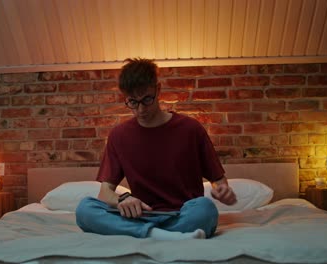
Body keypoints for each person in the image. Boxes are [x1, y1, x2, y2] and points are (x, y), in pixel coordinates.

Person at [76, 58, 236, 240]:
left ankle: (149, 235)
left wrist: (223, 190)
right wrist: (123, 199)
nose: (141, 109)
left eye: (147, 99)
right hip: (139, 217)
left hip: (182, 214)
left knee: (205, 209)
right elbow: (104, 193)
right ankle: (160, 235)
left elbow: (218, 180)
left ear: (158, 90)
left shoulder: (191, 129)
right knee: (85, 209)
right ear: (125, 98)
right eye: (133, 102)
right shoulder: (118, 136)